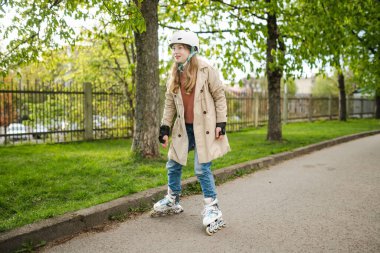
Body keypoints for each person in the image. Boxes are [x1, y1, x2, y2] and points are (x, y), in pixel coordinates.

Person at [150, 30, 231, 235]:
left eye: (180, 48)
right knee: (173, 163)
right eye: (174, 48)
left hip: (204, 128)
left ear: (192, 50)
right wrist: (165, 127)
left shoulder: (205, 69)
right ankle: (173, 199)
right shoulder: (174, 73)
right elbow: (169, 104)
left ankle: (212, 206)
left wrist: (221, 122)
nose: (176, 52)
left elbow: (219, 96)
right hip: (183, 129)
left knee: (202, 168)